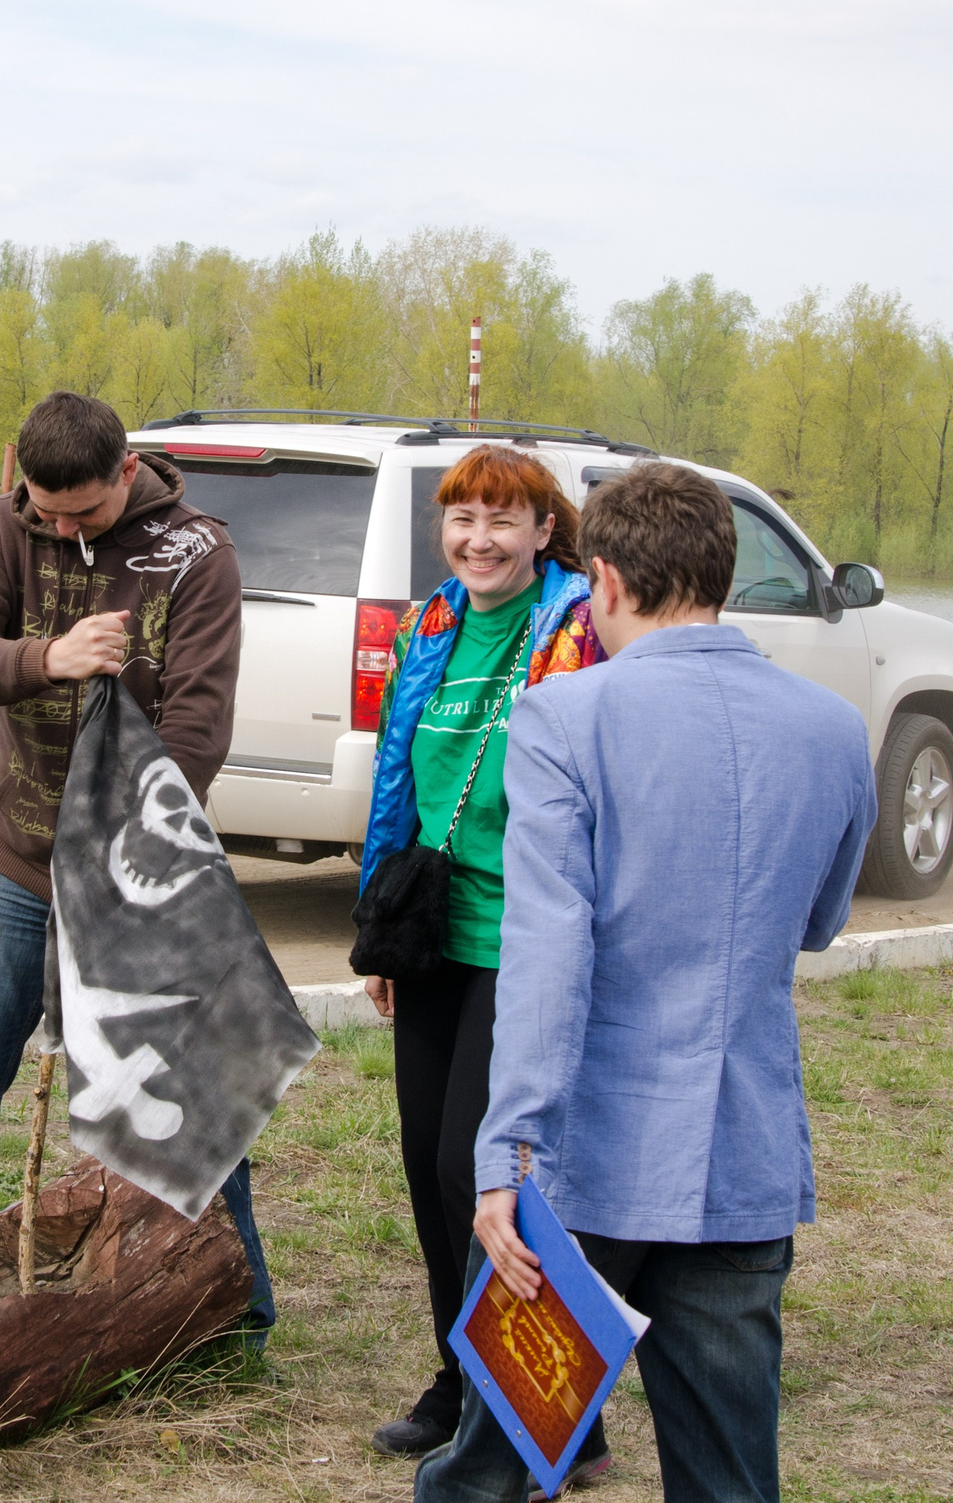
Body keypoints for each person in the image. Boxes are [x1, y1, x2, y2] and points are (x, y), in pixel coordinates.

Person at [415, 462, 878, 1503]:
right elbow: (820, 921)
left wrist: (504, 1152)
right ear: (725, 575)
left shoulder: (562, 717)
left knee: (488, 1472)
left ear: (606, 581)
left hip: (584, 1161)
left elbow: (546, 952)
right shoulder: (834, 728)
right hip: (739, 1154)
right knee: (726, 1479)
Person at [0, 390, 276, 1332]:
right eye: (45, 509)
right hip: (12, 863)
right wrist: (46, 659)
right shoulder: (1, 526)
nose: (59, 526)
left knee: (181, 1100)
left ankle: (237, 1315)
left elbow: (197, 724)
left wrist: (121, 858)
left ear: (127, 472)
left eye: (83, 513)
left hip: (137, 877)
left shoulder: (197, 554)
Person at [359, 445, 606, 1460]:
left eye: (503, 519)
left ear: (544, 530)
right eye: (461, 519)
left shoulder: (580, 626)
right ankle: (464, 1379)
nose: (478, 540)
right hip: (432, 931)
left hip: (526, 939)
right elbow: (396, 773)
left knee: (486, 1172)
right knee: (427, 1166)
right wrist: (377, 924)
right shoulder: (433, 623)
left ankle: (553, 1410)